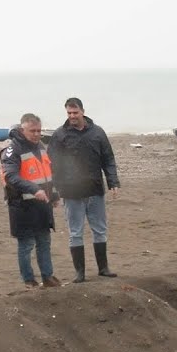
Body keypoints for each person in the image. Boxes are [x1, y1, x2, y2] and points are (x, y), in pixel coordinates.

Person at [50, 97, 120, 282]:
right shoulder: (60, 135)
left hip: (95, 189)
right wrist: (54, 189)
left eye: (75, 112)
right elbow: (53, 165)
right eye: (69, 113)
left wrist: (113, 182)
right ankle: (79, 272)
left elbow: (108, 158)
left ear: (82, 111)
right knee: (75, 232)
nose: (72, 116)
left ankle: (103, 268)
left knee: (100, 229)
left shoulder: (98, 133)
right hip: (72, 193)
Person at [1, 113, 62, 288]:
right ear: (22, 130)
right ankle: (29, 281)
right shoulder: (13, 150)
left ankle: (48, 277)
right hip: (22, 205)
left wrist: (55, 195)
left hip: (43, 205)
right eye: (32, 131)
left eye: (38, 130)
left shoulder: (40, 146)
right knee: (26, 244)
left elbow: (48, 174)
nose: (36, 134)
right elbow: (11, 176)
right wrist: (34, 190)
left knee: (44, 241)